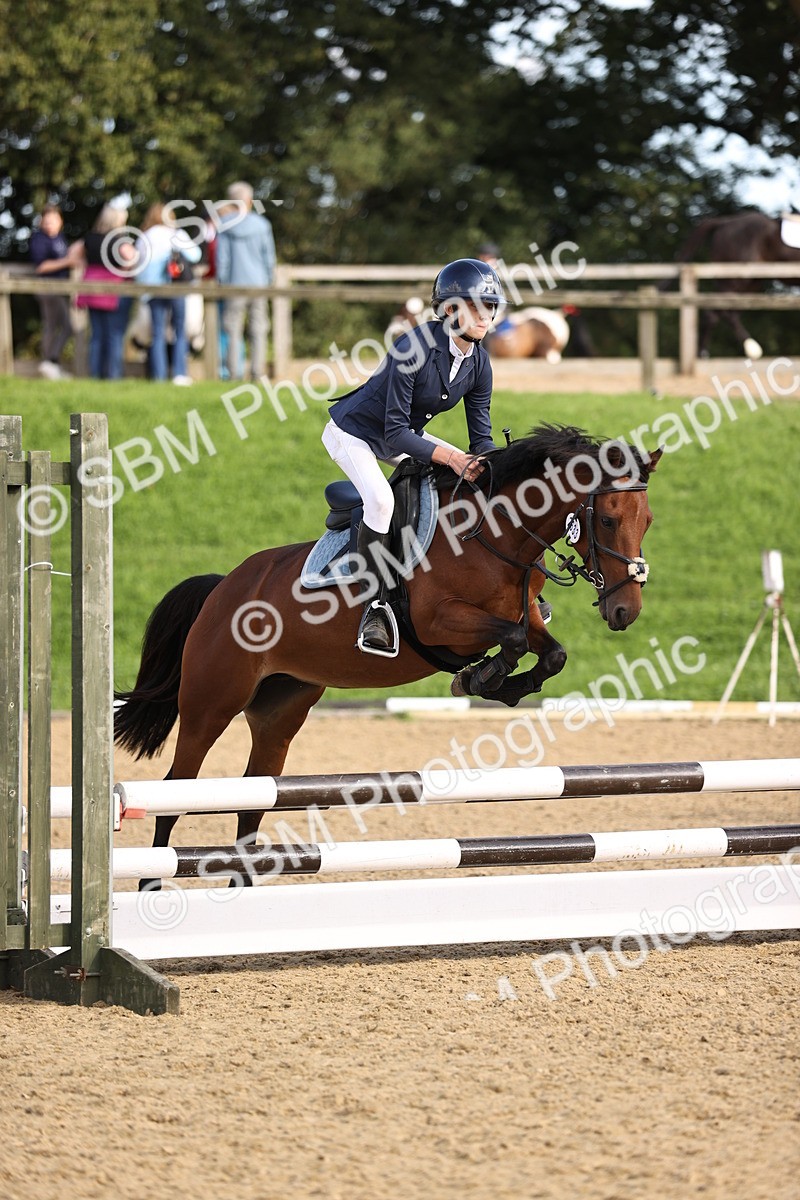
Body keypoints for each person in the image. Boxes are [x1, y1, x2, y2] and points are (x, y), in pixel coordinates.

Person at [323, 257, 505, 657]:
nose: (485, 316)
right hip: (353, 434)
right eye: (476, 306)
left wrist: (503, 468)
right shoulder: (413, 347)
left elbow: (482, 439)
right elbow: (394, 433)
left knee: (467, 475)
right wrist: (452, 458)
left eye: (490, 307)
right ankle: (374, 608)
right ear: (449, 309)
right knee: (381, 500)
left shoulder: (479, 363)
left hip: (402, 434)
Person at [134, 202, 202, 385]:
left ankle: (159, 376)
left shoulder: (145, 237)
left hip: (153, 290)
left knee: (157, 333)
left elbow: (137, 265)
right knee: (180, 330)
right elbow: (195, 255)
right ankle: (179, 373)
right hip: (176, 288)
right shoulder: (177, 234)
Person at [216, 182, 276, 380]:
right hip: (258, 284)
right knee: (258, 329)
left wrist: (222, 282)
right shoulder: (262, 225)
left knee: (233, 330)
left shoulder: (225, 225)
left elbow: (222, 258)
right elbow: (269, 258)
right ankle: (257, 373)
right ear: (249, 201)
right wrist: (269, 280)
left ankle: (234, 374)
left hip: (234, 284)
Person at [74, 203, 137, 380]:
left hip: (91, 290)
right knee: (114, 336)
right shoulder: (118, 241)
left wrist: (84, 264)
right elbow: (132, 258)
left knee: (96, 336)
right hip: (112, 292)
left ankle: (94, 374)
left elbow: (73, 253)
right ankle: (113, 375)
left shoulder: (90, 239)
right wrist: (124, 271)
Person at [29, 205, 75, 379]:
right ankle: (49, 362)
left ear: (60, 221)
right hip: (47, 287)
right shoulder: (40, 240)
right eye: (46, 221)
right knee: (52, 325)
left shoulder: (60, 238)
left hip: (59, 287)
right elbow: (41, 267)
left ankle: (52, 362)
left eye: (52, 220)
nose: (49, 224)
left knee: (65, 326)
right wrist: (67, 262)